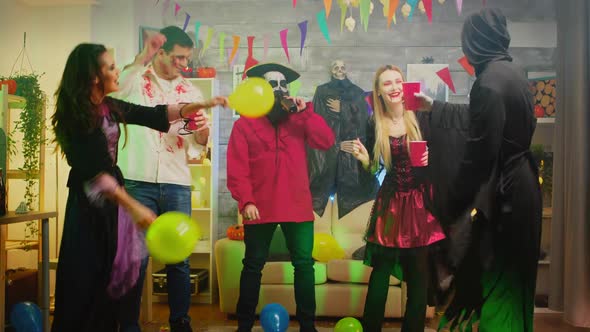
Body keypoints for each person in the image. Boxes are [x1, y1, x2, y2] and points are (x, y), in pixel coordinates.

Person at [50, 43, 226, 332]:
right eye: (110, 67)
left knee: (109, 279)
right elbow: (96, 177)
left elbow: (153, 115)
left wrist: (203, 105)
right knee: (86, 279)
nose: (116, 71)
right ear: (94, 76)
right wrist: (135, 207)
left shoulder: (107, 106)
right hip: (88, 209)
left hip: (111, 206)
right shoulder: (76, 117)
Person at [415, 8, 542, 332]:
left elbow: (478, 156)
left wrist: (449, 206)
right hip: (525, 186)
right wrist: (436, 107)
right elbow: (486, 118)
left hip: (505, 193)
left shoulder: (487, 82)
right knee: (516, 281)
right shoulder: (514, 71)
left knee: (498, 283)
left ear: (475, 42)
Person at [111, 26, 212, 332]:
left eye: (187, 59)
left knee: (179, 259)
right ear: (162, 53)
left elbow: (197, 146)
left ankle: (181, 322)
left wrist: (204, 132)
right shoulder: (135, 81)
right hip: (136, 179)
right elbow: (114, 94)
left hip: (177, 181)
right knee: (135, 259)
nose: (185, 64)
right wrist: (143, 55)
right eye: (179, 57)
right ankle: (128, 325)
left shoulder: (192, 93)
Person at [227, 62, 335, 332]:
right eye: (270, 84)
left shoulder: (300, 119)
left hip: (297, 206)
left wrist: (306, 113)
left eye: (282, 84)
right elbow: (237, 168)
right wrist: (247, 201)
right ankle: (244, 326)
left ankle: (308, 326)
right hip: (258, 207)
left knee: (304, 265)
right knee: (252, 265)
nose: (277, 90)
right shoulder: (244, 124)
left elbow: (326, 141)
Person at [344, 65, 446, 332]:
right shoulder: (373, 123)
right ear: (378, 91)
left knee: (418, 280)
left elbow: (445, 157)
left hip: (421, 205)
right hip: (389, 205)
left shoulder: (422, 119)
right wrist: (366, 161)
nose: (394, 87)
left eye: (398, 81)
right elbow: (371, 172)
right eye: (387, 83)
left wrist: (430, 161)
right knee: (379, 278)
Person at [308, 59, 379, 220]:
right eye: (336, 67)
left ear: (346, 70)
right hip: (329, 156)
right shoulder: (322, 91)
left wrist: (344, 109)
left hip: (351, 161)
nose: (339, 70)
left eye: (342, 67)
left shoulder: (357, 92)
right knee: (322, 197)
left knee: (352, 199)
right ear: (332, 71)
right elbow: (317, 125)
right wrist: (334, 145)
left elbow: (363, 122)